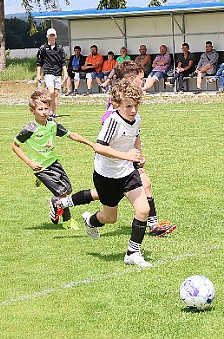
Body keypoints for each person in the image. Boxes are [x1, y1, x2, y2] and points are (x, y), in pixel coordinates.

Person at [53, 60, 177, 238]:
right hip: (113, 165)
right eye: (140, 79)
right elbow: (106, 142)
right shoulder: (115, 112)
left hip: (124, 162)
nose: (142, 82)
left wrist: (138, 155)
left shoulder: (129, 105)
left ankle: (64, 203)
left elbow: (134, 133)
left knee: (139, 186)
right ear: (131, 79)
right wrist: (126, 155)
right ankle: (152, 225)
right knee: (114, 207)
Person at [82, 78, 152, 267]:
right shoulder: (113, 121)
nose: (133, 110)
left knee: (143, 209)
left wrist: (138, 156)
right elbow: (99, 147)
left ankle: (132, 253)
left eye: (136, 105)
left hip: (128, 173)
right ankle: (91, 221)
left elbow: (136, 136)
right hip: (106, 176)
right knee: (110, 218)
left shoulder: (136, 119)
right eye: (128, 106)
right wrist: (126, 155)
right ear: (116, 104)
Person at [12, 90, 95, 230]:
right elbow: (15, 146)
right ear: (32, 110)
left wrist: (91, 144)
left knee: (68, 190)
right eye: (40, 109)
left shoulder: (52, 124)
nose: (44, 112)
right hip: (40, 167)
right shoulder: (29, 129)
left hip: (54, 162)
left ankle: (52, 196)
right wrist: (30, 163)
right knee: (61, 193)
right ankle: (67, 220)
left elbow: (71, 135)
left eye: (46, 108)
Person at [36, 28, 68, 117]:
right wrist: (38, 74)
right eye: (50, 35)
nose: (52, 37)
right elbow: (39, 62)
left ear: (56, 36)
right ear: (47, 36)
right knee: (51, 92)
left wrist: (65, 73)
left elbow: (63, 61)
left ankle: (54, 112)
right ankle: (48, 111)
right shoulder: (43, 48)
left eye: (53, 35)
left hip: (57, 72)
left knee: (56, 94)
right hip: (48, 72)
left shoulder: (60, 48)